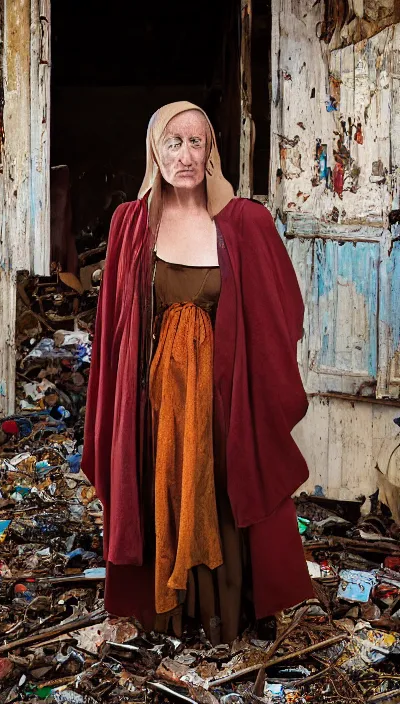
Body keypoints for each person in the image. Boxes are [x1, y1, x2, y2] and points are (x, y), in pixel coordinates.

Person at [82, 102, 314, 644]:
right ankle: (168, 614)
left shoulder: (245, 223)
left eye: (195, 142)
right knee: (163, 488)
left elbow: (282, 313)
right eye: (172, 142)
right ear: (154, 152)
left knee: (220, 495)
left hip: (225, 402)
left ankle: (223, 616)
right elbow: (115, 326)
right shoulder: (131, 224)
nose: (184, 155)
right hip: (158, 404)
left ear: (211, 151)